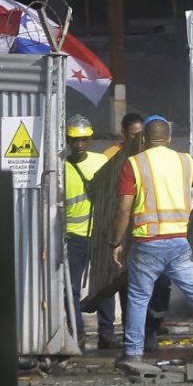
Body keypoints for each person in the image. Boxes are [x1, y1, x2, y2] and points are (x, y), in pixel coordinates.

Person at [110, 115, 193, 364]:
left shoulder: (134, 164)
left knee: (138, 298)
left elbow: (124, 208)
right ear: (169, 139)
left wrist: (116, 242)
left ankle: (133, 353)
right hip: (181, 241)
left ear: (143, 139)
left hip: (148, 242)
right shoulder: (185, 160)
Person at [103, 111, 171, 352]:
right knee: (129, 287)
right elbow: (113, 200)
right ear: (124, 135)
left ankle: (150, 329)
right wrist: (115, 239)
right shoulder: (113, 157)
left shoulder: (150, 160)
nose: (138, 139)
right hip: (131, 232)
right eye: (133, 135)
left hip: (150, 232)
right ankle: (132, 340)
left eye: (141, 135)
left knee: (159, 286)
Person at [63, 114, 120, 350]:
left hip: (99, 235)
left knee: (104, 286)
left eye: (84, 140)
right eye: (74, 140)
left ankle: (107, 334)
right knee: (72, 288)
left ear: (90, 139)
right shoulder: (61, 167)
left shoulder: (100, 161)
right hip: (73, 237)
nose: (79, 145)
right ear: (67, 140)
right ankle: (78, 334)